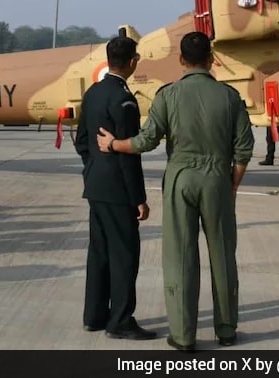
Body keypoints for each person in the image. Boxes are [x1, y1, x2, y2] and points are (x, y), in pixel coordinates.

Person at [98, 31, 255, 351]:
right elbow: (243, 150)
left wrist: (114, 144)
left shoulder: (167, 95)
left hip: (181, 180)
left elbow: (146, 141)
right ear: (212, 59)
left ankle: (183, 336)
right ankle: (226, 330)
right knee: (223, 256)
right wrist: (231, 186)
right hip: (217, 181)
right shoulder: (229, 97)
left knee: (180, 258)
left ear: (181, 60)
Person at [74, 36, 156, 340]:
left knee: (99, 253)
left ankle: (94, 316)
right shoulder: (124, 99)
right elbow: (128, 152)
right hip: (118, 190)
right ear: (133, 61)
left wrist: (93, 168)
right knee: (124, 255)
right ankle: (120, 320)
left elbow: (82, 141)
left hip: (96, 185)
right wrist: (138, 198)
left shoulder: (93, 93)